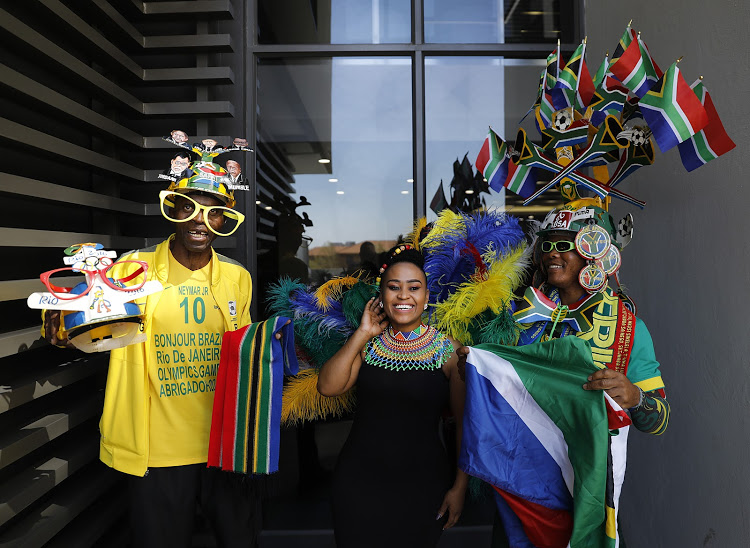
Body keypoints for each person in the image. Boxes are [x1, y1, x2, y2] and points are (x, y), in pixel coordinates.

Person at [45, 174, 259, 547]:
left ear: (225, 220)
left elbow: (243, 352)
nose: (200, 219)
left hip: (223, 445)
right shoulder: (130, 269)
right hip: (157, 450)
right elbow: (76, 326)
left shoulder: (237, 278)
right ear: (172, 209)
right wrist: (61, 322)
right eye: (189, 206)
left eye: (213, 212)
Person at [476, 198, 670, 547]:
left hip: (588, 489)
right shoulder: (515, 318)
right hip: (522, 489)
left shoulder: (627, 328)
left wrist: (635, 396)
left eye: (564, 245)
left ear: (593, 251)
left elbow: (659, 419)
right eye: (547, 245)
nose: (552, 254)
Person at [317, 244, 468, 548]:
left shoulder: (451, 352)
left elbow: (466, 427)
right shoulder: (368, 345)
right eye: (393, 287)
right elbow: (327, 387)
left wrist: (460, 487)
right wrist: (362, 333)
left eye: (414, 288)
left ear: (426, 298)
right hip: (358, 482)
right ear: (382, 296)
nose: (403, 296)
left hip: (424, 484)